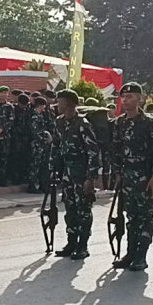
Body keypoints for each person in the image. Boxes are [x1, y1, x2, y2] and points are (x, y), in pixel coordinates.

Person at [111, 82, 153, 271]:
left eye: (130, 97)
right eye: (123, 97)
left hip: (144, 176)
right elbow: (116, 149)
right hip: (127, 177)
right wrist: (117, 174)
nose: (126, 100)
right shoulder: (119, 122)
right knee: (131, 217)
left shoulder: (149, 123)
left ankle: (141, 255)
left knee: (145, 216)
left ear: (140, 99)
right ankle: (130, 253)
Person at [50, 89, 99, 261]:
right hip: (66, 173)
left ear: (69, 103)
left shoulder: (83, 124)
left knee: (83, 209)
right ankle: (71, 242)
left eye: (60, 101)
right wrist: (53, 168)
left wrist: (90, 178)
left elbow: (93, 152)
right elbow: (56, 146)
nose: (57, 105)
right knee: (70, 208)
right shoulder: (59, 122)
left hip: (81, 173)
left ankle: (82, 245)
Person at [28, 97, 54, 193]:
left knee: (43, 165)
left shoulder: (42, 115)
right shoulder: (34, 116)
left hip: (42, 144)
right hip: (37, 144)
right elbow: (35, 131)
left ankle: (42, 185)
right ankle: (33, 185)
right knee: (35, 164)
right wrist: (44, 138)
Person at [0, 86, 15, 187]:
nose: (3, 95)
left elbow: (11, 120)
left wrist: (3, 129)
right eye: (2, 93)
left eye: (5, 93)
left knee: (3, 159)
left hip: (5, 136)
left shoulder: (10, 107)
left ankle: (1, 179)